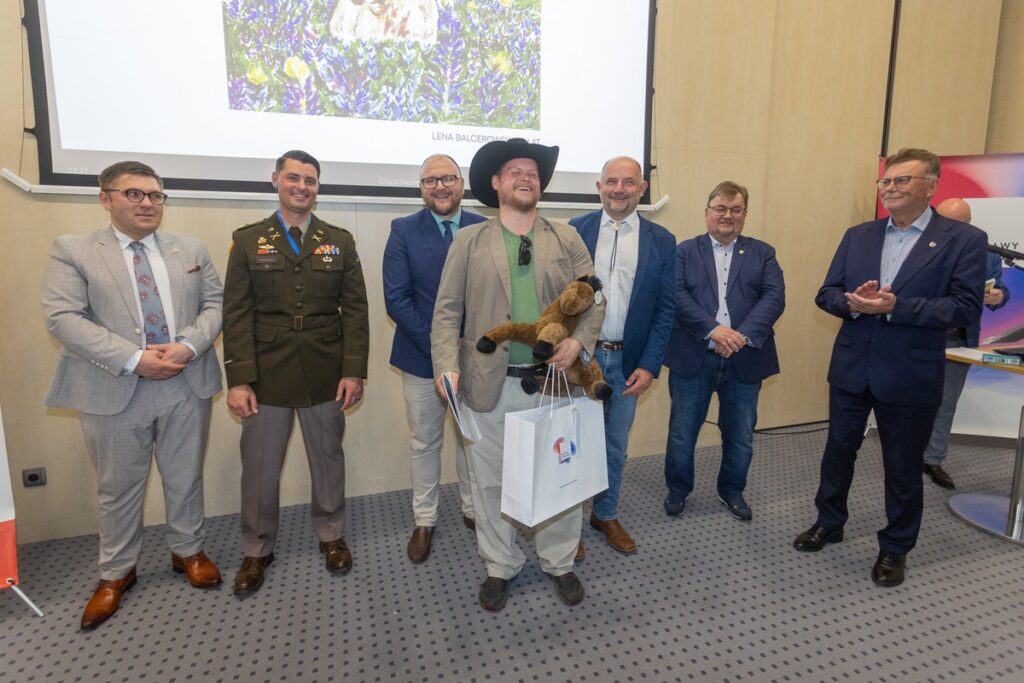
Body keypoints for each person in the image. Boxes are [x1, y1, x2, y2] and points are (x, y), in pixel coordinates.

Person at [42, 161, 224, 630]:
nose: (147, 204)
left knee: (185, 475)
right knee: (117, 488)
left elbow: (215, 305)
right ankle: (116, 573)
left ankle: (188, 551)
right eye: (134, 194)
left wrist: (186, 345)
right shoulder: (75, 250)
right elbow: (63, 318)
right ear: (106, 198)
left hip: (185, 382)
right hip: (114, 386)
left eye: (155, 196)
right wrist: (133, 357)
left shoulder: (191, 248)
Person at [793, 148, 986, 588]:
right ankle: (830, 521)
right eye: (886, 182)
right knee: (838, 452)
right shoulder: (858, 235)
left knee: (902, 467)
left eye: (902, 180)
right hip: (851, 366)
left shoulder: (962, 239)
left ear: (931, 186)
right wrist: (853, 304)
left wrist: (898, 307)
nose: (891, 188)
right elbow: (826, 294)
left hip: (910, 372)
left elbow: (965, 308)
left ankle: (895, 547)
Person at [431, 138, 604, 611]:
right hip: (490, 384)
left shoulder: (566, 236)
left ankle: (559, 561)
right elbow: (446, 312)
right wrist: (446, 366)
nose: (524, 177)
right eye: (514, 171)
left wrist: (579, 342)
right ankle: (499, 565)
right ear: (496, 182)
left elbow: (594, 299)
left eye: (532, 171)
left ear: (540, 183)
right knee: (490, 482)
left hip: (556, 382)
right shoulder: (469, 240)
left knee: (560, 476)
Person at [222, 150, 369, 595]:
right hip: (266, 374)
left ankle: (331, 534)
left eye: (310, 179)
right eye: (293, 177)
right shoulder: (248, 241)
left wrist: (353, 371)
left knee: (327, 458)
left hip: (327, 369)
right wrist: (239, 379)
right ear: (275, 180)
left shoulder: (339, 241)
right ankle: (257, 547)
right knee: (261, 467)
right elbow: (236, 313)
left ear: (317, 187)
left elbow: (356, 312)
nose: (302, 186)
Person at [568, 156, 675, 555]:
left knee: (615, 445)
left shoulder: (662, 241)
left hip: (629, 361)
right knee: (573, 443)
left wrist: (650, 365)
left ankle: (605, 512)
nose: (619, 189)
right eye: (611, 181)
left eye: (628, 183)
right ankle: (569, 525)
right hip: (582, 360)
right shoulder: (575, 231)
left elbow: (666, 310)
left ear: (642, 189)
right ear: (599, 187)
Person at [383, 154, 487, 563]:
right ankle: (424, 520)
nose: (440, 187)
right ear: (421, 188)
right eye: (431, 180)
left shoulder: (484, 228)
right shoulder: (403, 230)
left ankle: (473, 510)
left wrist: (466, 352)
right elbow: (397, 298)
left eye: (447, 179)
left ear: (462, 184)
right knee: (425, 442)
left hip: (478, 361)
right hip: (421, 357)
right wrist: (441, 347)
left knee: (471, 441)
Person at [662, 181, 785, 521]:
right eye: (720, 208)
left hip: (744, 357)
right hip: (694, 355)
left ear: (744, 214)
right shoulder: (684, 251)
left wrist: (739, 336)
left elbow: (774, 298)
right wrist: (714, 330)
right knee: (682, 431)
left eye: (735, 209)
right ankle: (678, 489)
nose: (727, 215)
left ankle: (732, 490)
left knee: (741, 434)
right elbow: (676, 296)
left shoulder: (764, 252)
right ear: (707, 213)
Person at [921, 198, 1010, 490]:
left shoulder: (986, 255)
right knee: (910, 402)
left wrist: (998, 297)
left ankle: (933, 459)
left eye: (961, 224)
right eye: (947, 222)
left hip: (960, 340)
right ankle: (905, 455)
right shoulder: (920, 248)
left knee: (946, 404)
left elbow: (999, 289)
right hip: (919, 337)